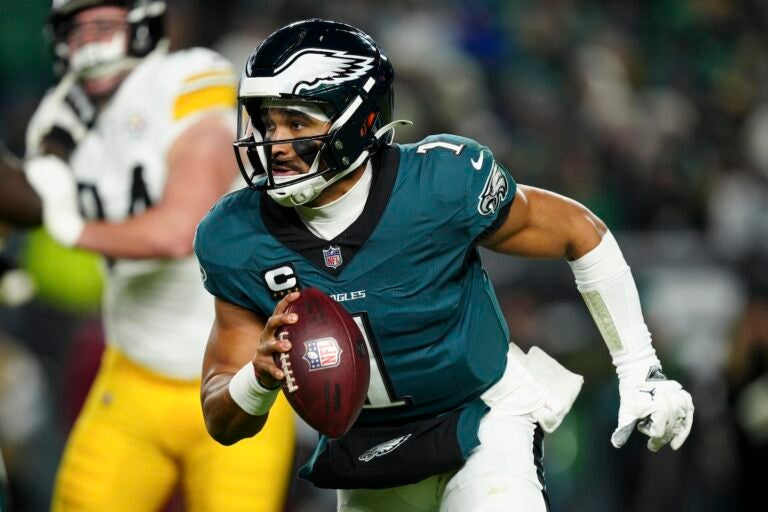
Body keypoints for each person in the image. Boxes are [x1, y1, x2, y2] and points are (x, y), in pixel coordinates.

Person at [195, 18, 694, 512]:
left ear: (360, 119)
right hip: (367, 455)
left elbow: (579, 231)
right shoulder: (237, 234)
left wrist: (640, 368)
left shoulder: (441, 183)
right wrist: (258, 379)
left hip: (479, 423)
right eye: (267, 122)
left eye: (297, 122)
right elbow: (221, 418)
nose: (275, 143)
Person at [8, 1, 295, 511]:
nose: (89, 43)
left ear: (143, 23)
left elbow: (181, 230)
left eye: (104, 25)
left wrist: (71, 228)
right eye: (76, 30)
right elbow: (28, 199)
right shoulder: (59, 118)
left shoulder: (190, 78)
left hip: (240, 377)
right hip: (133, 374)